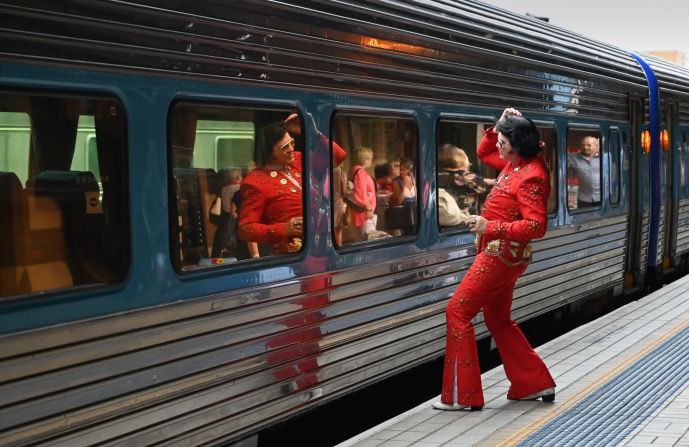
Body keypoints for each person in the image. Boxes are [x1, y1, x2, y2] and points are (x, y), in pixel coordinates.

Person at [433, 108, 555, 411]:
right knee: (498, 320)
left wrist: (491, 227)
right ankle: (533, 382)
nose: (496, 145)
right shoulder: (516, 163)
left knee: (457, 312)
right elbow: (483, 150)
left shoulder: (531, 176)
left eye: (502, 139)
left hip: (499, 255)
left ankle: (463, 396)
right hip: (501, 254)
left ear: (515, 144)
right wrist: (501, 122)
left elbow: (536, 226)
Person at [238, 121, 304, 255]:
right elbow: (245, 229)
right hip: (292, 256)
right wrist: (283, 229)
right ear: (270, 152)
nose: (291, 149)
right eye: (285, 147)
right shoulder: (256, 181)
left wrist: (306, 129)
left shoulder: (298, 159)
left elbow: (338, 156)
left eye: (292, 142)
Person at [437, 144, 496, 218]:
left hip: (448, 217)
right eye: (468, 163)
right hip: (466, 220)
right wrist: (495, 181)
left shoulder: (436, 176)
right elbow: (484, 184)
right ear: (457, 162)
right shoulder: (461, 176)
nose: (470, 165)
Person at [349, 147, 377, 240]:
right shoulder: (360, 172)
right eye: (370, 158)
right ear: (365, 160)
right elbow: (361, 192)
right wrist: (368, 209)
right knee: (367, 240)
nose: (371, 160)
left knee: (360, 240)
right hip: (364, 213)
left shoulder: (354, 170)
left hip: (359, 212)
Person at [567, 136, 600, 208]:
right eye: (582, 145)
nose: (585, 147)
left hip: (602, 198)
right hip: (583, 199)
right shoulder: (573, 158)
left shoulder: (604, 157)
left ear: (596, 146)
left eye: (588, 145)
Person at [332, 144, 348, 246]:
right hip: (337, 204)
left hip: (326, 204)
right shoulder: (341, 172)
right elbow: (344, 191)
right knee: (338, 230)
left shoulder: (324, 170)